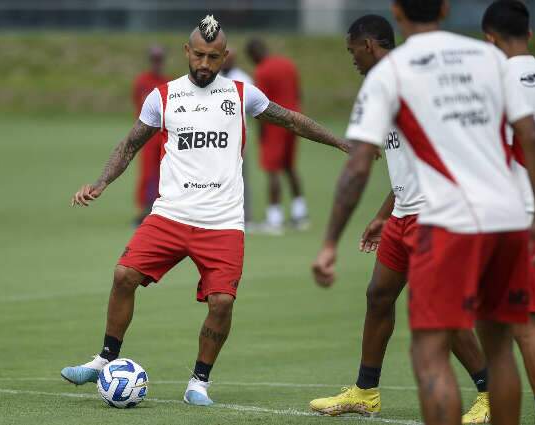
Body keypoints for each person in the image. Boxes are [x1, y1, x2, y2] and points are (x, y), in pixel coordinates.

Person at [62, 15, 349, 406]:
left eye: (213, 57)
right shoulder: (163, 97)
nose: (204, 64)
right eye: (198, 55)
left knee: (222, 303)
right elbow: (130, 144)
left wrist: (342, 143)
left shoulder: (241, 94)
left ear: (224, 56)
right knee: (124, 274)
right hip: (170, 215)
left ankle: (199, 382)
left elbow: (292, 121)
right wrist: (100, 183)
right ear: (186, 51)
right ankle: (105, 358)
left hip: (223, 223)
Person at [311, 1, 535, 425]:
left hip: (439, 216)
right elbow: (528, 136)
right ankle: (365, 390)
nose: (353, 60)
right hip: (473, 212)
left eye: (353, 51)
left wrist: (328, 242)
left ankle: (485, 392)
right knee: (380, 295)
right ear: (446, 8)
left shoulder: (393, 76)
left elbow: (360, 164)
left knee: (433, 345)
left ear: (395, 14)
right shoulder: (489, 58)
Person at [483, 2, 535, 424]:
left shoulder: (494, 82)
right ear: (531, 34)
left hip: (522, 216)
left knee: (525, 326)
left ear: (489, 39)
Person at [246, 37, 308, 234]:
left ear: (254, 55)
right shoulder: (287, 64)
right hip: (295, 120)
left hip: (275, 126)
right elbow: (298, 93)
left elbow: (261, 106)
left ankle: (275, 218)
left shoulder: (262, 71)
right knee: (290, 168)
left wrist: (262, 133)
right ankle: (301, 214)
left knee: (272, 170)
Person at [132, 45, 170, 225]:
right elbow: (137, 105)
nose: (157, 63)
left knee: (165, 172)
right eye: (154, 59)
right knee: (147, 174)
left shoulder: (167, 82)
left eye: (159, 60)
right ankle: (144, 210)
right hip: (147, 136)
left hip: (163, 135)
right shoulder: (141, 81)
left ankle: (161, 210)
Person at [221, 48, 255, 228]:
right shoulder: (213, 77)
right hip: (216, 139)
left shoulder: (243, 78)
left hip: (237, 138)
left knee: (240, 177)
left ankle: (245, 216)